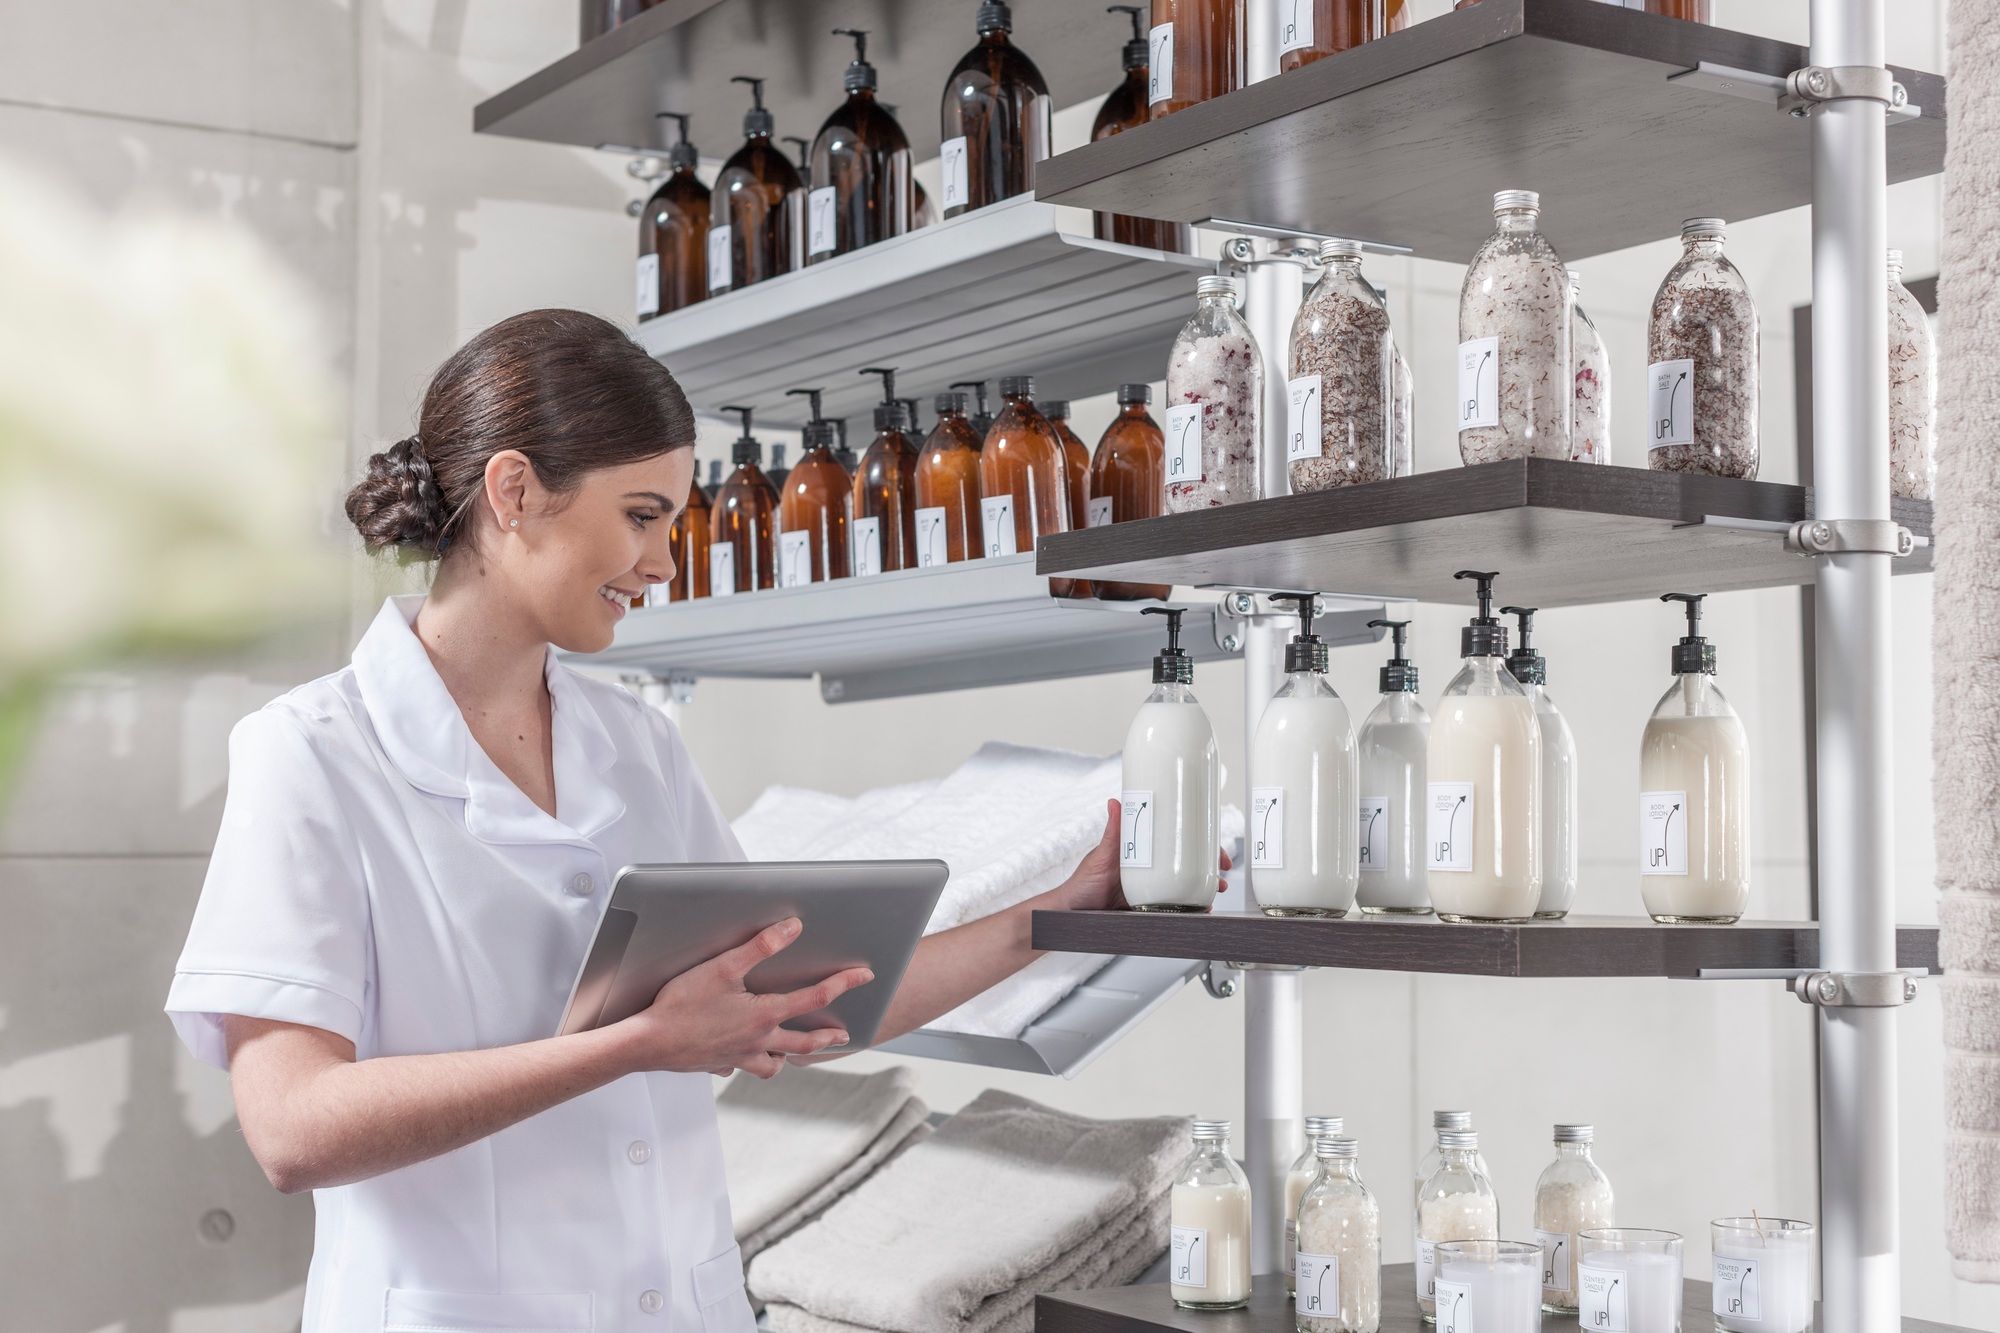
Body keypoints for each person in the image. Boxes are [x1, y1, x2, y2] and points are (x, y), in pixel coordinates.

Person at [164, 310, 1195, 1333]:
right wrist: (633, 1045)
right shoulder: (314, 752)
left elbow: (792, 999)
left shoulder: (636, 743)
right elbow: (292, 1128)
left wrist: (1054, 914)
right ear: (513, 492)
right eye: (642, 515)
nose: (664, 562)